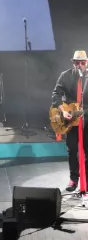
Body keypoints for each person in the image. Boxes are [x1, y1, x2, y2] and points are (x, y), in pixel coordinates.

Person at [52, 50, 88, 192]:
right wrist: (63, 110)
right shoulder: (65, 76)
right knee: (72, 149)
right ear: (72, 62)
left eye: (82, 63)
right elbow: (56, 95)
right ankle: (74, 179)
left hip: (86, 115)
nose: (79, 65)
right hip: (71, 118)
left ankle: (86, 181)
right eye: (76, 63)